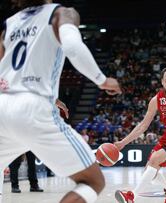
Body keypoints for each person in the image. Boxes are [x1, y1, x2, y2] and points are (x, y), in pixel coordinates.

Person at [0, 0, 121, 203]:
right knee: (93, 181)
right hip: (34, 108)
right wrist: (101, 80)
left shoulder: (9, 23)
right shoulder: (61, 13)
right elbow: (73, 47)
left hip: (2, 104)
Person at [114, 67, 166, 203]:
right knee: (150, 171)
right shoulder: (156, 100)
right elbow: (143, 125)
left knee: (155, 159)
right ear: (162, 82)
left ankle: (132, 196)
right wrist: (123, 142)